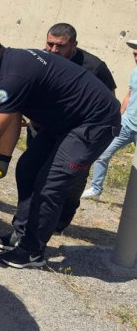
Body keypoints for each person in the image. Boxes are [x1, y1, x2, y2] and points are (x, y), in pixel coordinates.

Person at [0, 22, 120, 269]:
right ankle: (21, 235)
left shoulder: (13, 74)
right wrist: (4, 159)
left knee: (49, 186)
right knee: (27, 168)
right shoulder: (8, 67)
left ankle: (32, 251)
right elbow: (12, 114)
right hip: (65, 122)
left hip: (94, 123)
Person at [27, 23, 117, 231]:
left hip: (77, 135)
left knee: (71, 181)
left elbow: (109, 101)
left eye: (61, 46)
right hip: (43, 128)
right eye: (50, 44)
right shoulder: (41, 59)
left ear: (74, 45)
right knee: (34, 173)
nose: (54, 50)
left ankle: (60, 222)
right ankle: (32, 218)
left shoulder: (94, 67)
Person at [82, 40, 137, 198]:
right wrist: (118, 116)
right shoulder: (135, 72)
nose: (136, 58)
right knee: (102, 154)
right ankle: (96, 189)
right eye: (134, 54)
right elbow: (129, 95)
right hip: (127, 124)